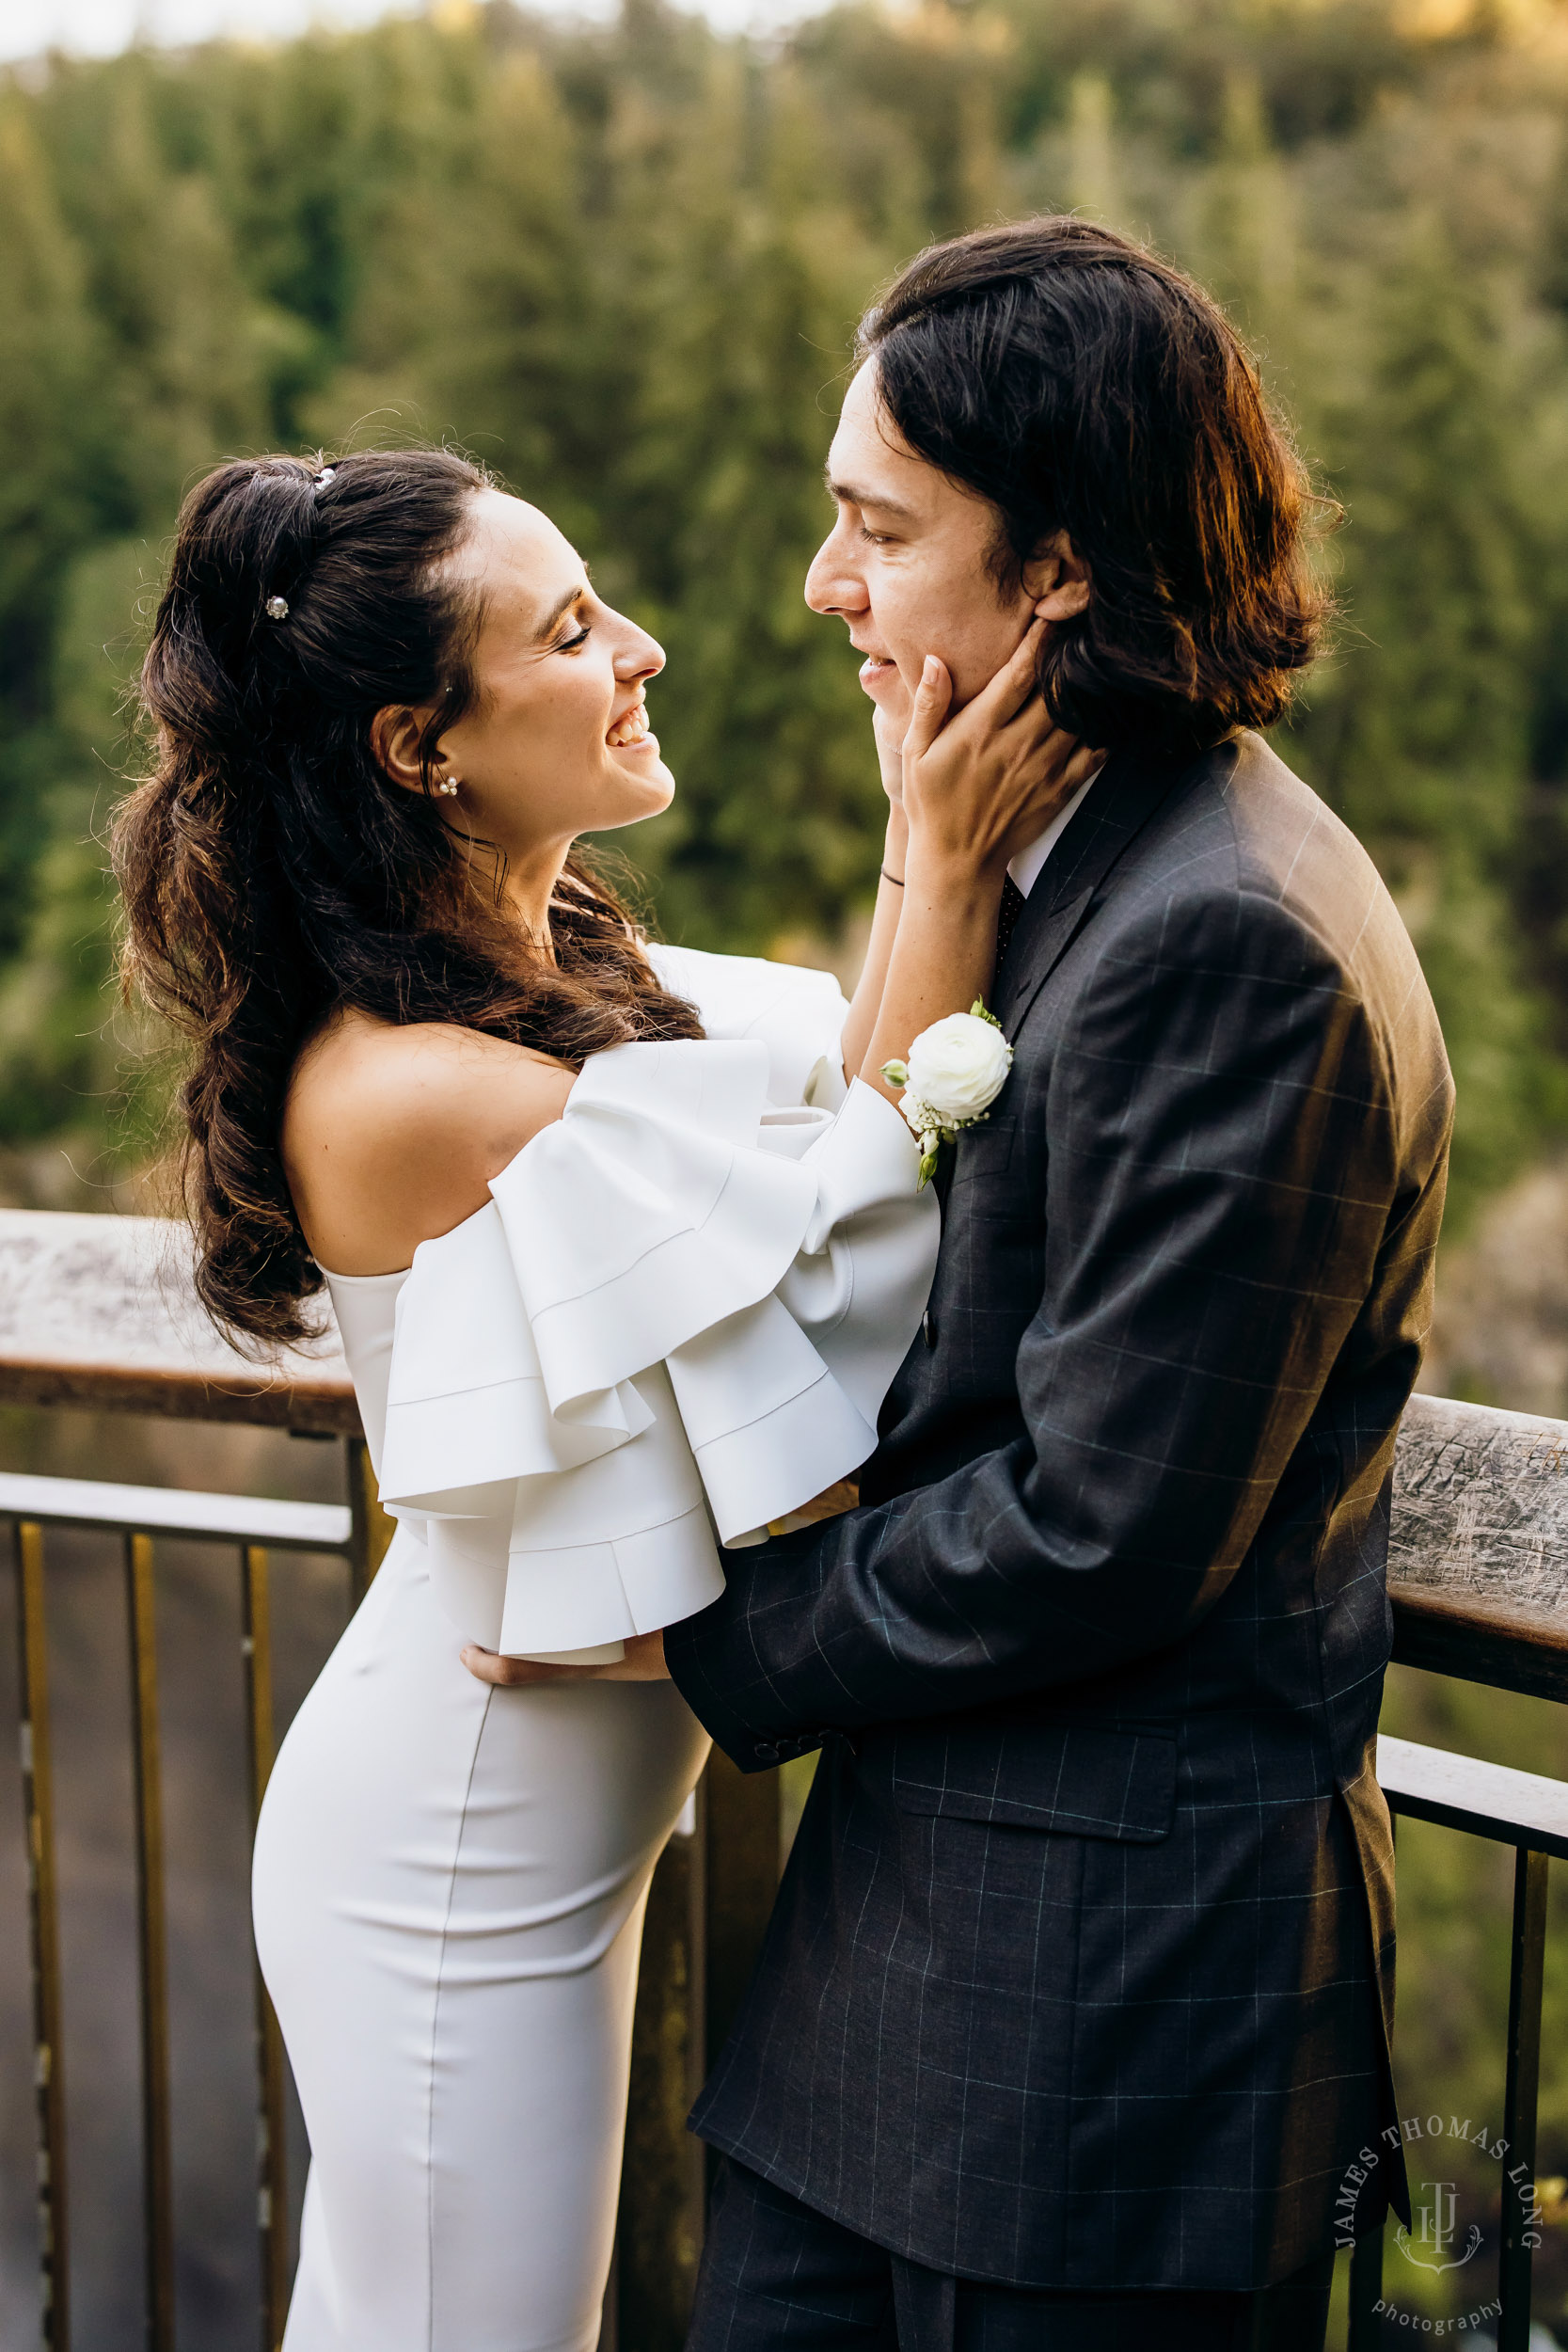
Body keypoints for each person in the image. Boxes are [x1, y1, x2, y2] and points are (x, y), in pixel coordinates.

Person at [470, 220, 1452, 2350]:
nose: (826, 584)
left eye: (876, 527)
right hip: (898, 2001)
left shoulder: (1235, 935)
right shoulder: (1074, 855)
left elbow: (1107, 1523)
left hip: (1103, 2044)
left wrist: (698, 1630)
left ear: (1062, 568)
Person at [113, 446, 1093, 2350]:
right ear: (423, 746)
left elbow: (823, 1115)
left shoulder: (558, 965)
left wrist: (918, 830)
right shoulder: (406, 1080)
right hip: (453, 1839)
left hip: (527, 1803)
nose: (639, 648)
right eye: (569, 630)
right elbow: (828, 1253)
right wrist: (949, 856)